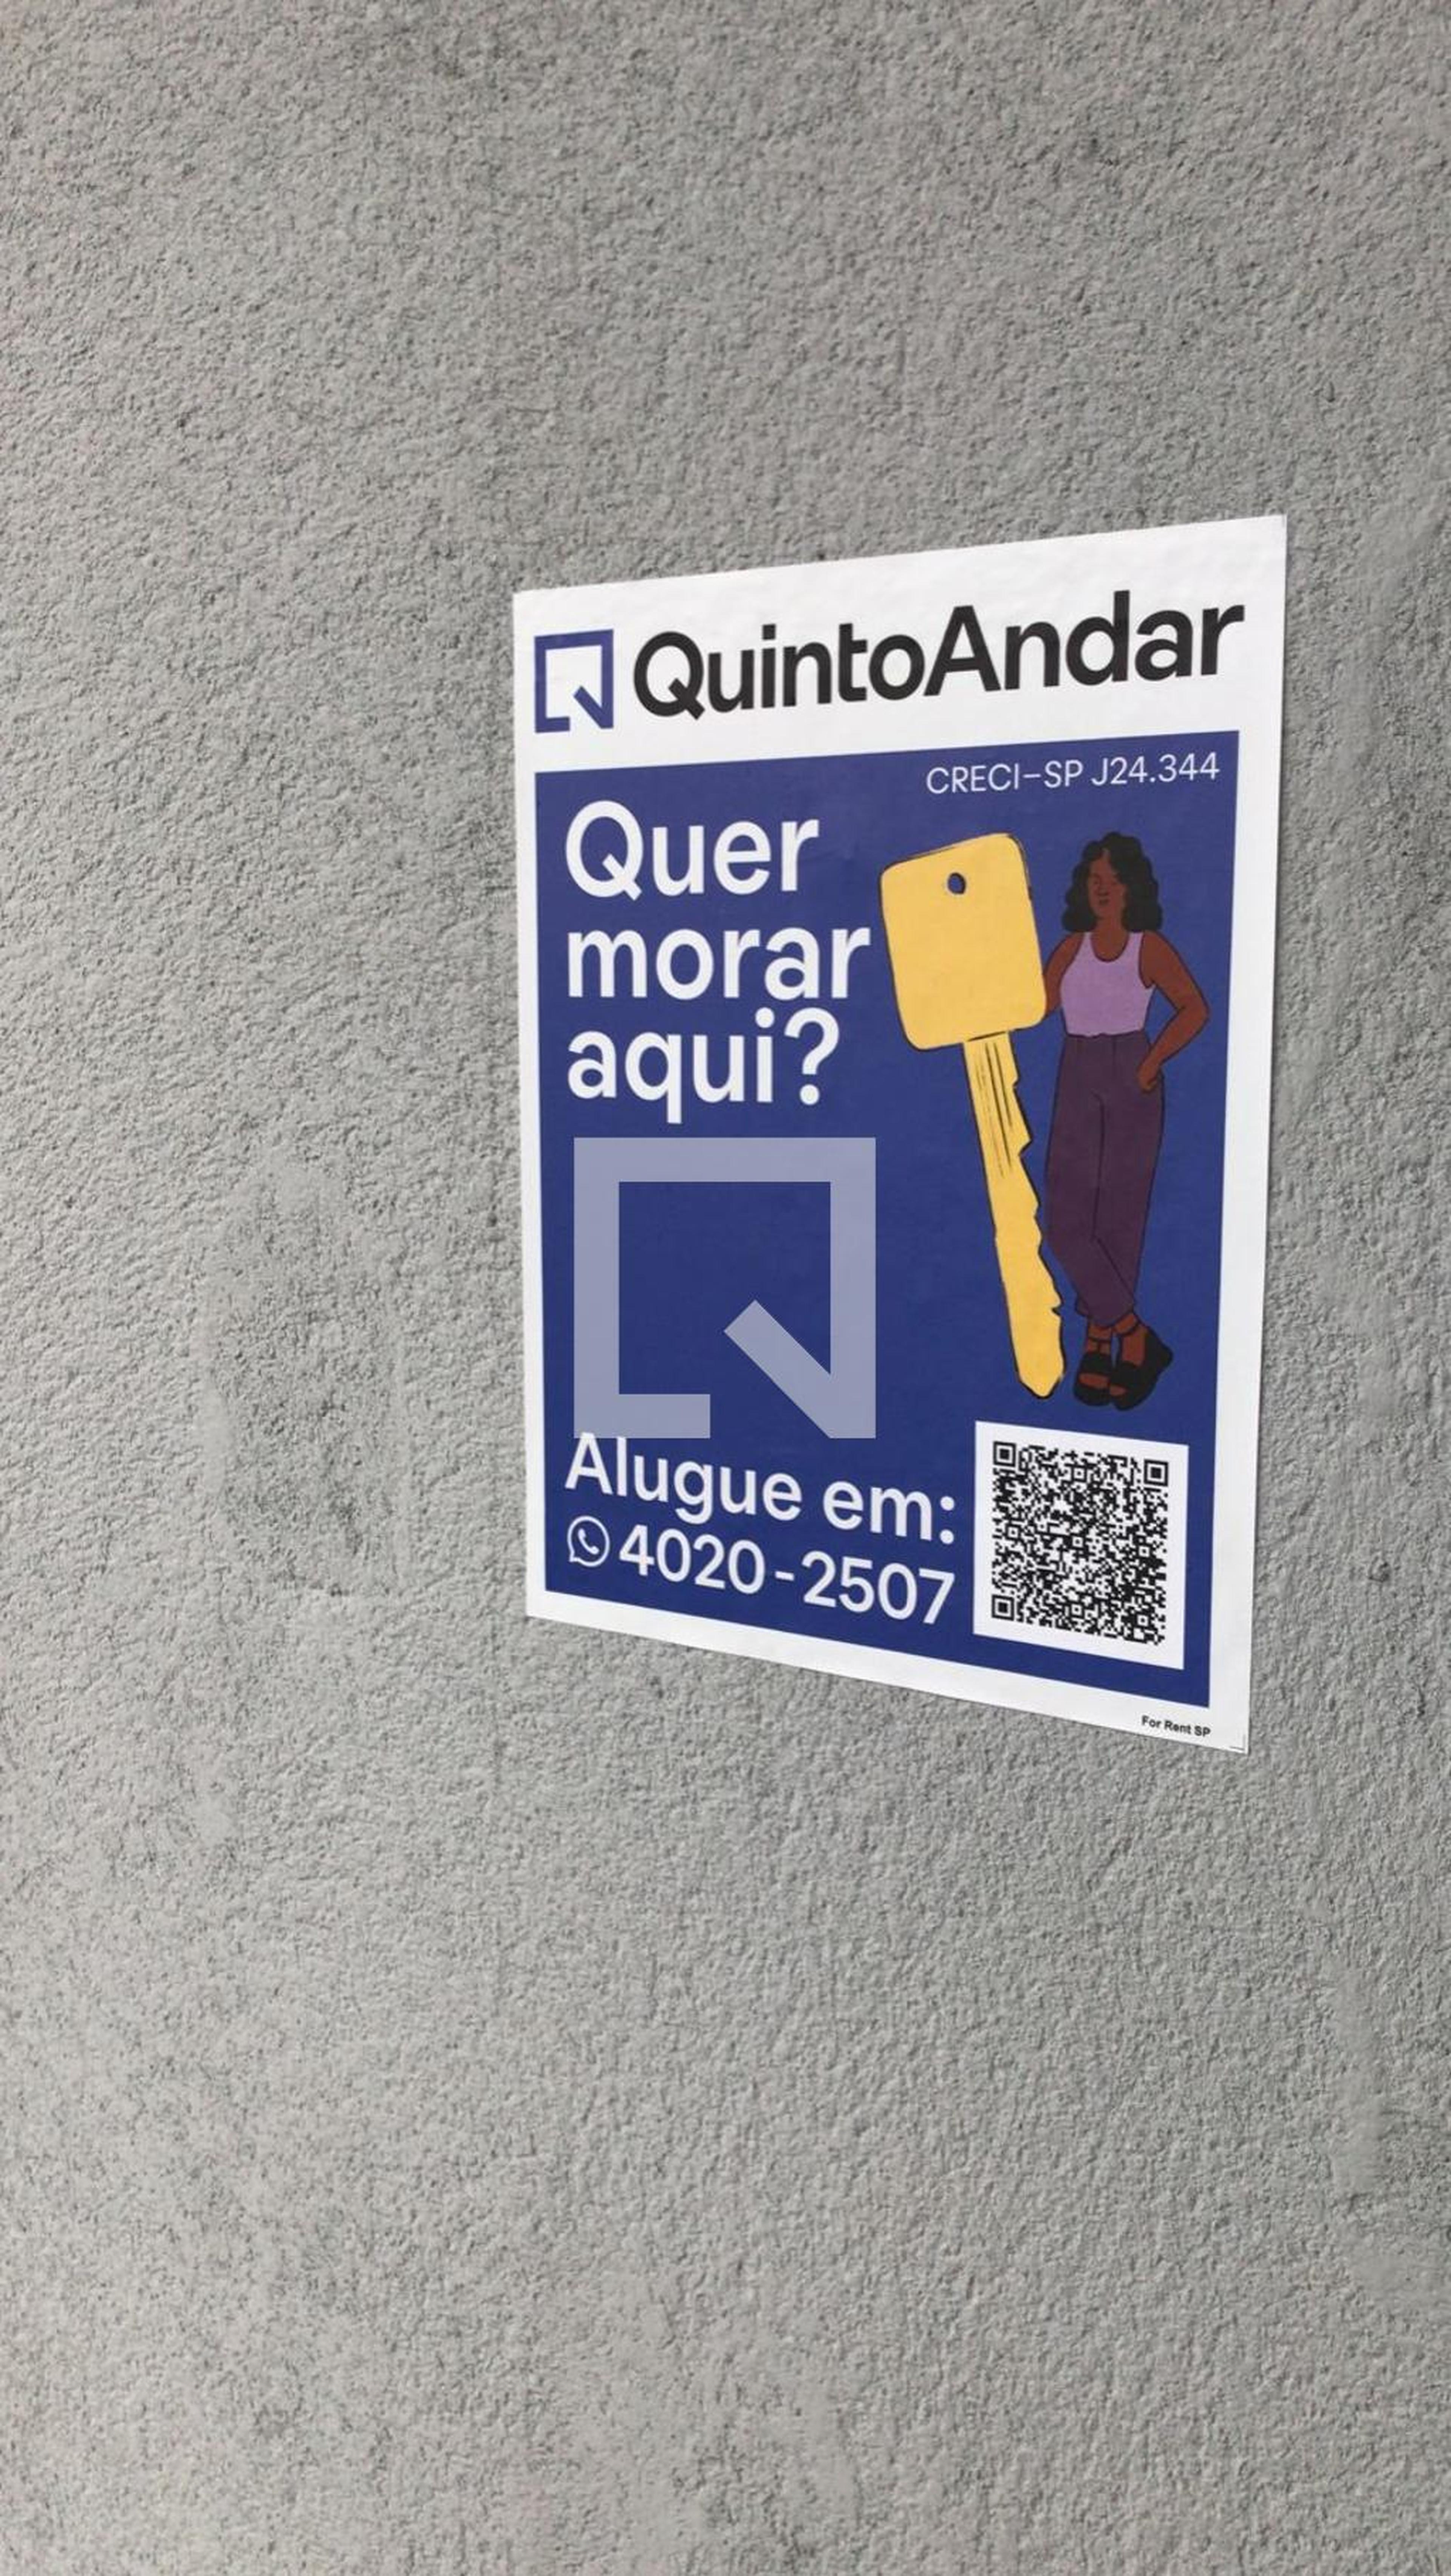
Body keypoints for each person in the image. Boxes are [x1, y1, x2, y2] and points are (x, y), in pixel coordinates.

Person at [1041, 832, 1208, 1409]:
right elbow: (1036, 1005)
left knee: (1119, 1216)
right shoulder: (1071, 949)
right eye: (1095, 880)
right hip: (1077, 1072)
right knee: (1066, 1219)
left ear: (1132, 887)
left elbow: (1194, 1008)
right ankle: (1134, 1334)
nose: (1103, 889)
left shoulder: (1148, 947)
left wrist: (1152, 1061)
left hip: (1131, 1073)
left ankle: (1099, 1339)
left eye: (1112, 881)